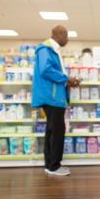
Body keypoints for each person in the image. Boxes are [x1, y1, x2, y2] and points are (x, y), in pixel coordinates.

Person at [32, 25, 81, 176]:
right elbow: (46, 70)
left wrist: (67, 81)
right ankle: (54, 166)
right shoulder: (45, 49)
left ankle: (51, 165)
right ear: (58, 35)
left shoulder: (52, 50)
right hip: (51, 97)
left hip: (54, 96)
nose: (67, 39)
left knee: (52, 130)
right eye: (66, 35)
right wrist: (66, 78)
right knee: (57, 130)